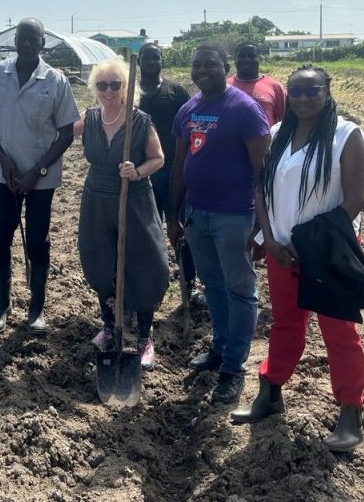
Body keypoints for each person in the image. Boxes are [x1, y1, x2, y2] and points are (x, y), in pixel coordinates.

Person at [231, 65, 364, 453]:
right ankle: (271, 391)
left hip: (327, 253)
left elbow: (355, 197)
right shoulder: (277, 135)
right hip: (282, 250)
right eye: (296, 91)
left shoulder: (347, 135)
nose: (304, 98)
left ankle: (349, 412)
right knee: (285, 323)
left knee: (339, 331)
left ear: (327, 92)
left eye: (313, 91)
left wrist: (313, 243)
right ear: (286, 95)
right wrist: (270, 236)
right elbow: (260, 190)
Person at [168, 43, 269, 404]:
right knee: (213, 286)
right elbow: (179, 165)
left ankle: (233, 368)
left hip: (235, 217)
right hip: (197, 215)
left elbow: (263, 172)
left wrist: (261, 227)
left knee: (240, 290)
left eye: (211, 64)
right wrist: (174, 215)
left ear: (224, 68)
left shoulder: (245, 109)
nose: (203, 70)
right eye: (197, 65)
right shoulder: (188, 109)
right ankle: (220, 346)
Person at [0, 18, 79, 336]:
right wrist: (4, 161)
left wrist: (38, 170)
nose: (27, 43)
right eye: (22, 37)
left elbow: (65, 134)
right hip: (3, 175)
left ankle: (36, 309)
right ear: (15, 40)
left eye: (33, 38)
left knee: (37, 242)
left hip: (41, 180)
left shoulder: (56, 80)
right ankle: (2, 307)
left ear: (42, 43)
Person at [74, 57, 169, 370]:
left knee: (143, 262)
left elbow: (158, 158)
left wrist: (138, 171)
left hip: (134, 201)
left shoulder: (140, 120)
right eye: (103, 85)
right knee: (101, 260)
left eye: (116, 84)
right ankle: (109, 326)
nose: (109, 90)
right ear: (95, 88)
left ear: (126, 87)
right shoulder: (88, 118)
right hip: (97, 201)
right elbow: (56, 132)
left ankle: (144, 336)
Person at [136, 43, 200, 302]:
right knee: (146, 232)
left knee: (180, 229)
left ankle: (189, 283)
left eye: (156, 57)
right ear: (138, 62)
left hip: (174, 173)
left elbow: (191, 128)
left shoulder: (176, 92)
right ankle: (148, 284)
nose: (151, 61)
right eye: (146, 58)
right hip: (141, 174)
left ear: (162, 61)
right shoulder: (130, 92)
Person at [227, 42, 287, 127]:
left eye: (252, 56)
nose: (246, 60)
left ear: (259, 58)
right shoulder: (225, 86)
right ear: (235, 59)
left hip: (267, 140)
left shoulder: (275, 87)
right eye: (241, 56)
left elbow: (285, 121)